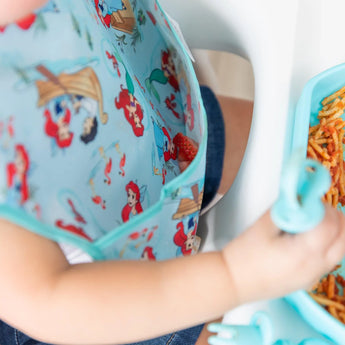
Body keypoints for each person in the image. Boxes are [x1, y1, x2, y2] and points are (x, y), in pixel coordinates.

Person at [1, 2, 345, 345]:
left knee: (281, 131)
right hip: (108, 298)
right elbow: (54, 303)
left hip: (145, 121)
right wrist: (234, 276)